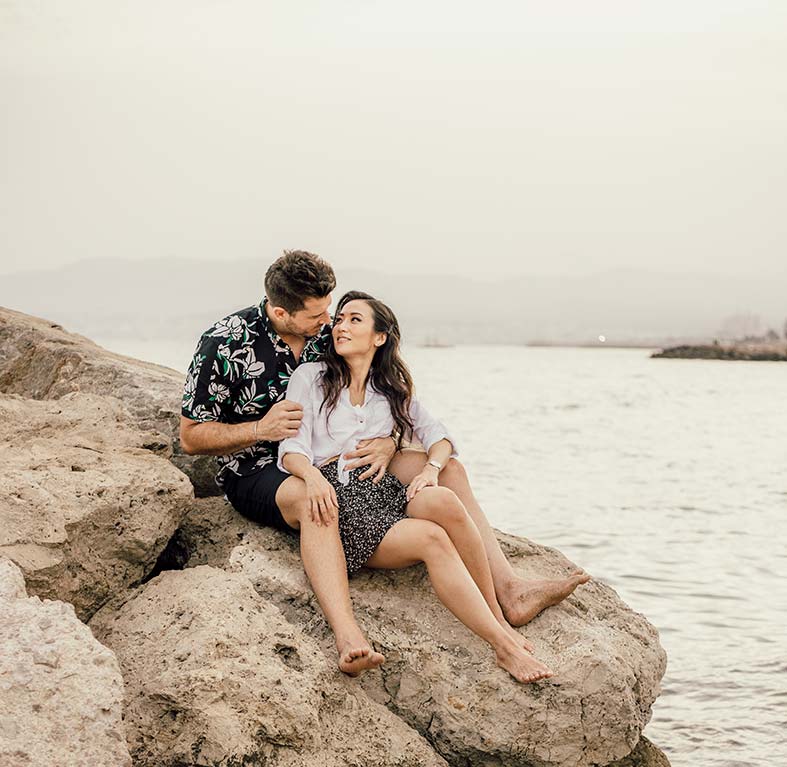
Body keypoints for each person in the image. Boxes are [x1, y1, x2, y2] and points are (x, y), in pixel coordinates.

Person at [180, 249, 589, 677]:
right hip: (259, 465)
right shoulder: (225, 342)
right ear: (280, 311)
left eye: (334, 314)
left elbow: (388, 411)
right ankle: (349, 636)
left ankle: (507, 589)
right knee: (313, 498)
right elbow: (190, 437)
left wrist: (390, 445)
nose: (330, 324)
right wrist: (259, 430)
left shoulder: (330, 337)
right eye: (319, 318)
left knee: (449, 472)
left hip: (347, 464)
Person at [279, 292, 555, 684]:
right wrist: (312, 477)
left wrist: (430, 470)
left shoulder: (389, 389)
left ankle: (499, 612)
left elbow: (439, 437)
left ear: (379, 336)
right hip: (341, 500)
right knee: (431, 538)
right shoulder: (311, 378)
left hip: (384, 494)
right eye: (339, 319)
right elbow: (291, 449)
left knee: (441, 495)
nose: (341, 326)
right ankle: (503, 645)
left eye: (355, 320)